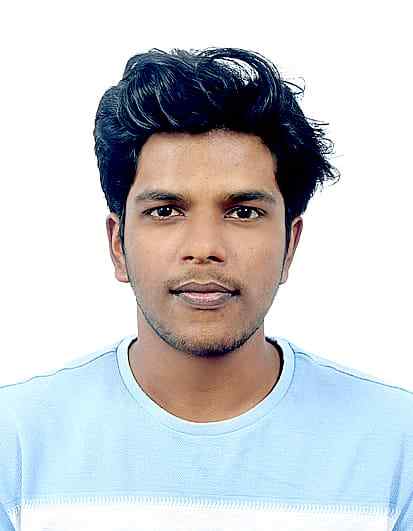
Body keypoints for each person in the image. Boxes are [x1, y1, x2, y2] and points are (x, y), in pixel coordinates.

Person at [0, 47, 411, 531]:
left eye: (243, 212)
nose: (204, 248)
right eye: (165, 211)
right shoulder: (16, 441)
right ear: (117, 244)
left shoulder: (396, 447)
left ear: (290, 244)